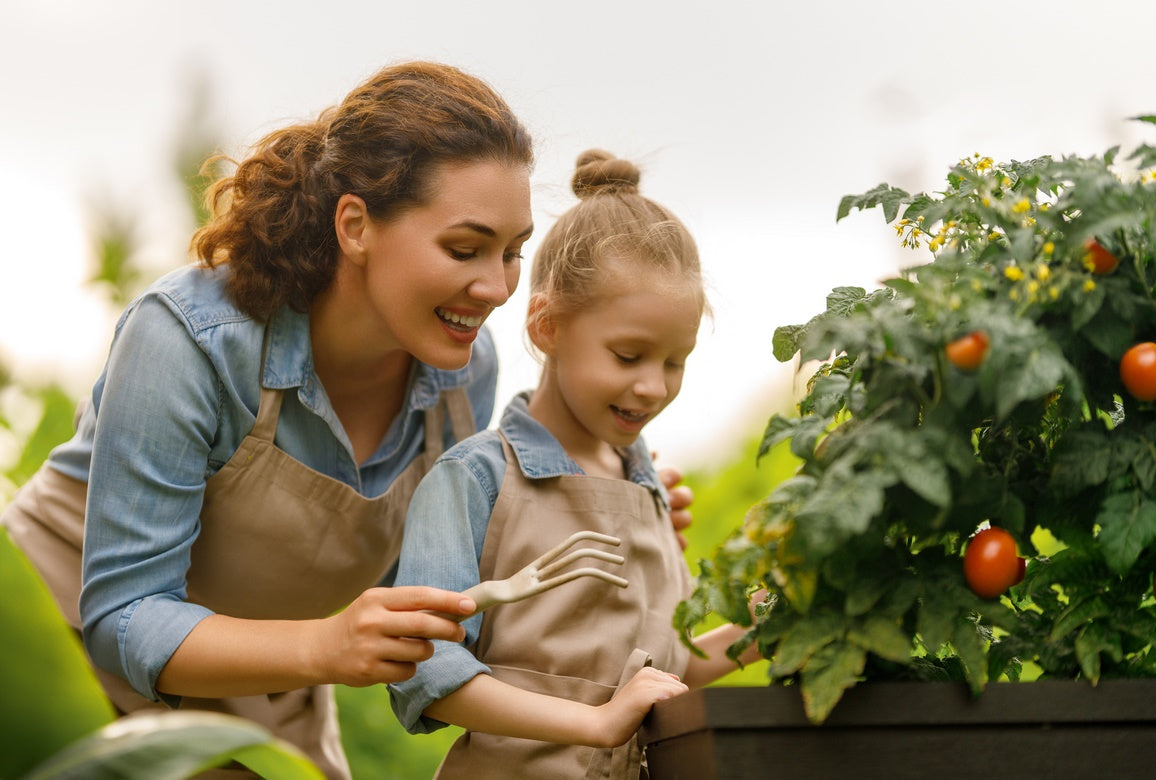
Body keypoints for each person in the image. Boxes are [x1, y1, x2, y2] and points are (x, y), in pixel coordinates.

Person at [0, 64, 692, 779]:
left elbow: (437, 582)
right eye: (464, 248)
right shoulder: (192, 339)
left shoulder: (462, 372)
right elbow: (126, 616)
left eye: (512, 252)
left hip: (256, 686)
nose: (495, 289)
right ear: (355, 225)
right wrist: (325, 649)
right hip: (59, 654)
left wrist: (603, 511)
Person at [388, 149, 761, 779]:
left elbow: (678, 667)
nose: (652, 386)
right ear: (546, 325)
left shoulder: (649, 490)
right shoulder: (475, 480)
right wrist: (595, 721)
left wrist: (776, 621)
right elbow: (427, 670)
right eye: (627, 355)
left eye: (674, 362)